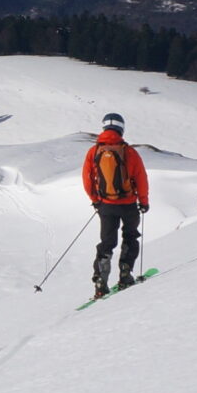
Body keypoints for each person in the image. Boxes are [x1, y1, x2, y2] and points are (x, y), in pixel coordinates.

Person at [84, 112, 150, 299]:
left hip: (106, 205)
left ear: (104, 127)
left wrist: (95, 199)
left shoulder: (94, 152)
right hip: (129, 204)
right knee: (130, 237)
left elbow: (87, 179)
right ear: (121, 128)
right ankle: (125, 275)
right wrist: (143, 202)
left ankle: (100, 282)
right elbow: (141, 179)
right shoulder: (129, 152)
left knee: (107, 243)